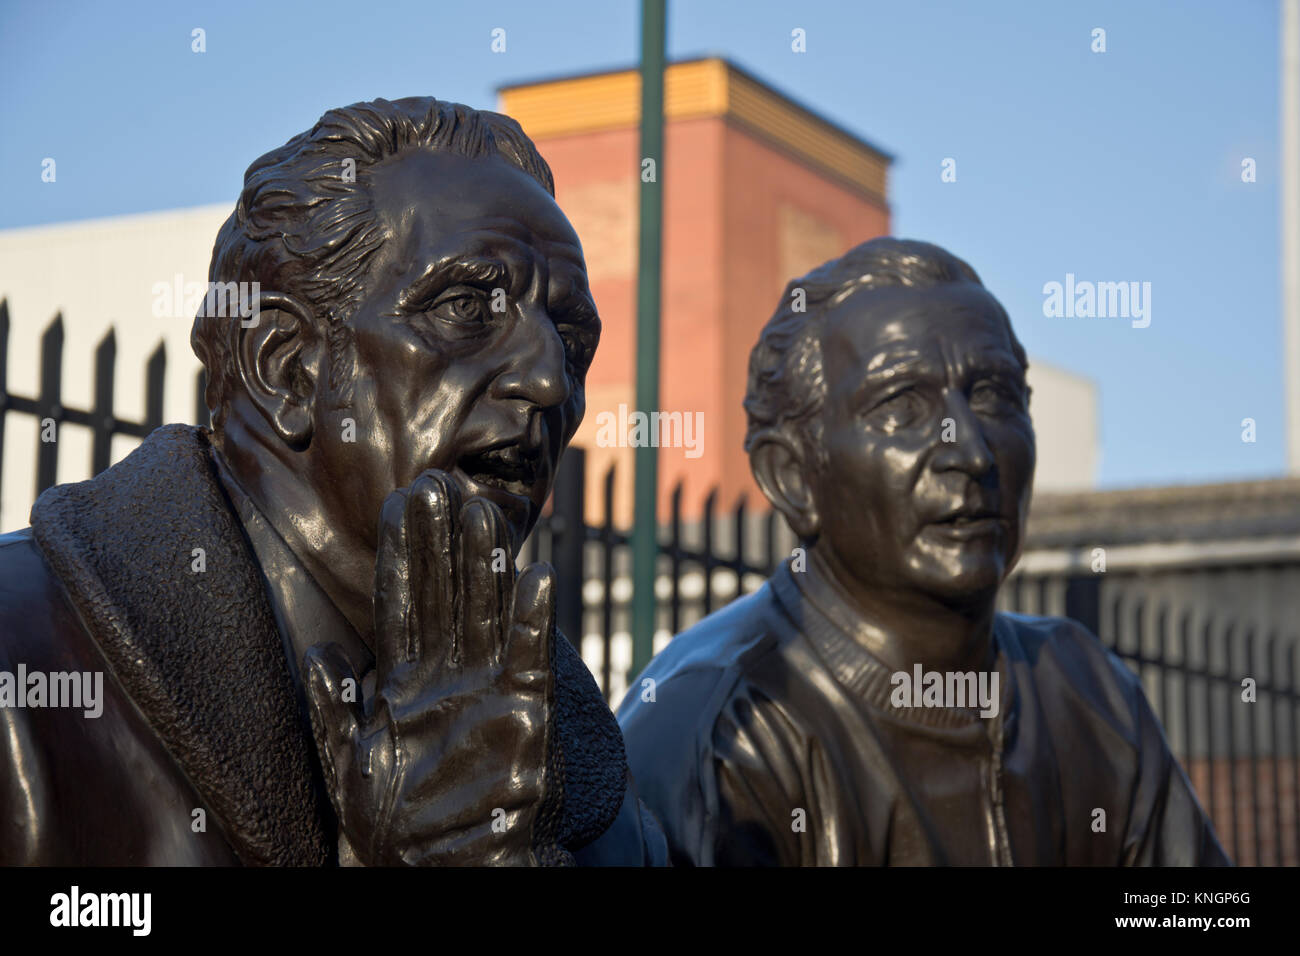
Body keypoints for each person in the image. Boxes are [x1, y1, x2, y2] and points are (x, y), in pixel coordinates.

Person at [0, 97, 666, 866]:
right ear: (283, 366)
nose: (551, 382)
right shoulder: (27, 674)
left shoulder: (586, 783)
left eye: (571, 338)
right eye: (464, 308)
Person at [618, 238, 1227, 866]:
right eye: (902, 406)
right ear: (794, 476)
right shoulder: (723, 736)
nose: (971, 451)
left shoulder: (1087, 694)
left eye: (993, 395)